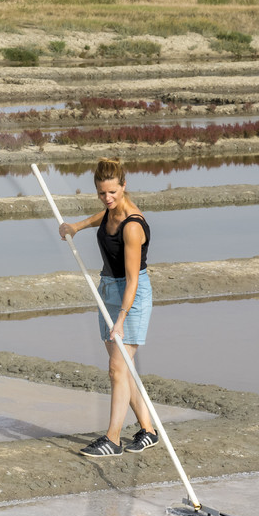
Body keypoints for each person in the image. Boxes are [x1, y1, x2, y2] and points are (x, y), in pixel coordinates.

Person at [57, 158, 159, 458]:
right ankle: (149, 431)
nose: (108, 198)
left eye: (113, 193)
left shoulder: (133, 227)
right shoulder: (110, 211)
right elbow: (101, 217)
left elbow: (131, 282)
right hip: (107, 291)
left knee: (117, 369)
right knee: (123, 372)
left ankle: (112, 440)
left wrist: (122, 319)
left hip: (132, 297)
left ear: (124, 186)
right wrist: (75, 226)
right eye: (102, 193)